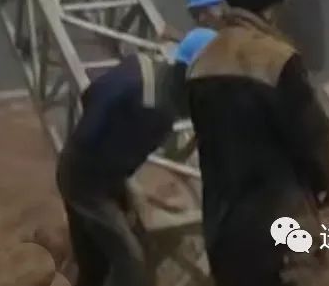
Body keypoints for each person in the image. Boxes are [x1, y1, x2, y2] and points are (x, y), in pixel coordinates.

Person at [186, 0, 329, 285]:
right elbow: (314, 139)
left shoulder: (200, 64)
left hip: (224, 237)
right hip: (283, 234)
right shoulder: (280, 61)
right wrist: (327, 187)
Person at [57, 27, 218, 286]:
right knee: (130, 260)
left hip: (101, 175)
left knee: (94, 262)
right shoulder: (144, 94)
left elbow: (92, 97)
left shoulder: (155, 81)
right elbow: (92, 117)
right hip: (85, 180)